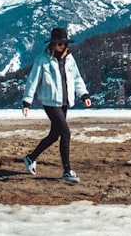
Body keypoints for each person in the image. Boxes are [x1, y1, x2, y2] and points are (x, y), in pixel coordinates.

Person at [21, 26, 92, 183]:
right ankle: (67, 170)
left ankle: (30, 158)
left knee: (55, 135)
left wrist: (84, 95)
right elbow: (32, 81)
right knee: (65, 133)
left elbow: (77, 79)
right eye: (60, 43)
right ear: (53, 44)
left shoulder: (70, 59)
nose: (63, 46)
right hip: (50, 102)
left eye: (65, 43)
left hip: (64, 102)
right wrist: (27, 102)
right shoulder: (42, 60)